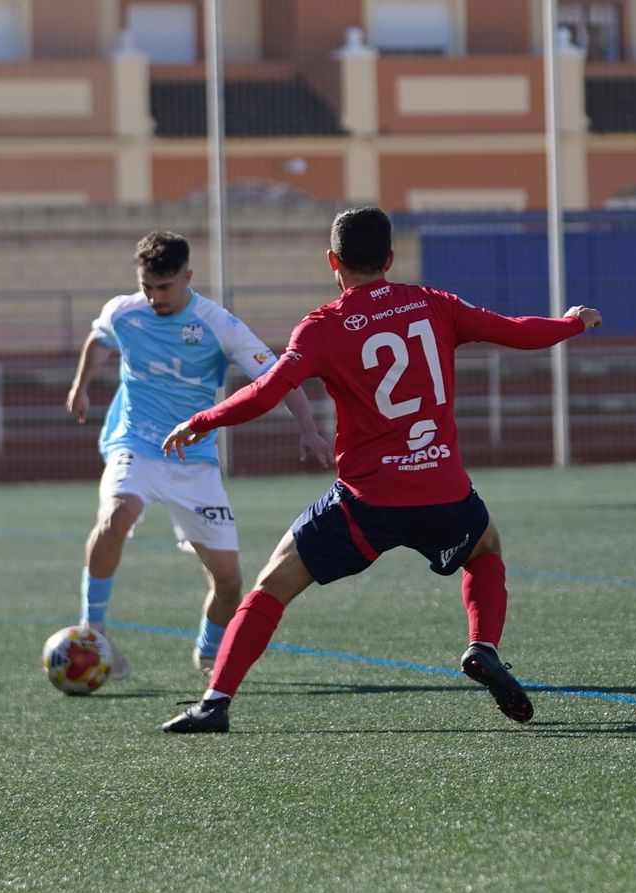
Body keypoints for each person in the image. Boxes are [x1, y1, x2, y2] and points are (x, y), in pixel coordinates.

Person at [158, 207, 602, 734]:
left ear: (332, 262)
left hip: (365, 502)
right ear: (389, 259)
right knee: (484, 551)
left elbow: (268, 390)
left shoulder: (323, 327)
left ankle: (215, 702)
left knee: (271, 586)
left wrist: (203, 420)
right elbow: (515, 331)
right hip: (443, 489)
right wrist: (573, 322)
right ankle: (482, 646)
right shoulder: (433, 304)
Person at [66, 230, 333, 681]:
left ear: (187, 277)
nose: (154, 297)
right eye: (147, 286)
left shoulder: (217, 324)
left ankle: (208, 651)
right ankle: (94, 632)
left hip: (194, 460)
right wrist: (81, 386)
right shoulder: (123, 312)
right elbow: (99, 340)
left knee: (229, 581)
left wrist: (308, 427)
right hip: (134, 443)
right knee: (116, 514)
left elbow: (277, 375)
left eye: (165, 287)